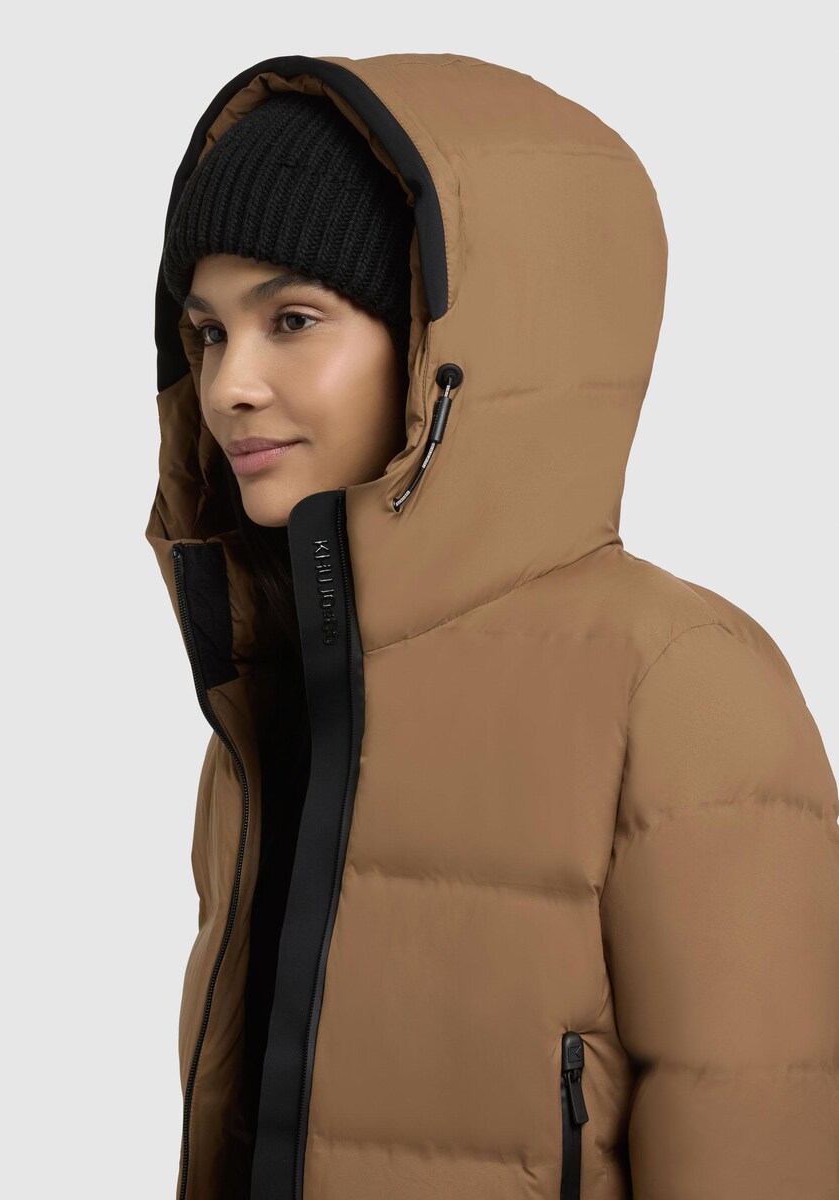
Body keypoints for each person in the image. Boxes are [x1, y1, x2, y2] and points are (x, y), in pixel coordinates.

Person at [146, 55, 839, 1200]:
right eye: (209, 333)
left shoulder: (678, 684)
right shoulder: (273, 696)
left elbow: (759, 1127)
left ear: (448, 352)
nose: (229, 386)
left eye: (294, 319)